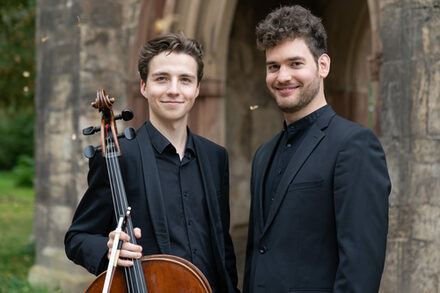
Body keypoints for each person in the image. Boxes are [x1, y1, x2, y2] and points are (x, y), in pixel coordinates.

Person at [65, 33, 239, 293]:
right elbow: (77, 238)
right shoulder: (119, 157)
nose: (173, 89)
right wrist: (108, 249)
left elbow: (221, 243)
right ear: (144, 87)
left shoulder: (215, 156)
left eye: (185, 80)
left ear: (197, 89)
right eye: (161, 79)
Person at [243, 5, 391, 293]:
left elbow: (359, 271)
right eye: (273, 66)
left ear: (323, 66)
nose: (282, 76)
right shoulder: (263, 154)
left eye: (295, 63)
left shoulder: (355, 146)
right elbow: (257, 254)